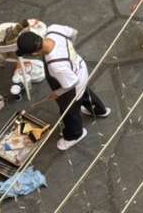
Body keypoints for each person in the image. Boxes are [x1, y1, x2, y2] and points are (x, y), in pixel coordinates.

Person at [16, 23, 111, 151]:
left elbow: (72, 83)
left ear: (34, 53)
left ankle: (75, 135)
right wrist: (71, 53)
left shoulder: (55, 65)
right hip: (80, 68)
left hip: (73, 84)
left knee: (69, 111)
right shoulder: (53, 30)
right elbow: (74, 32)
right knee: (84, 93)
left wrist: (57, 93)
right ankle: (99, 110)